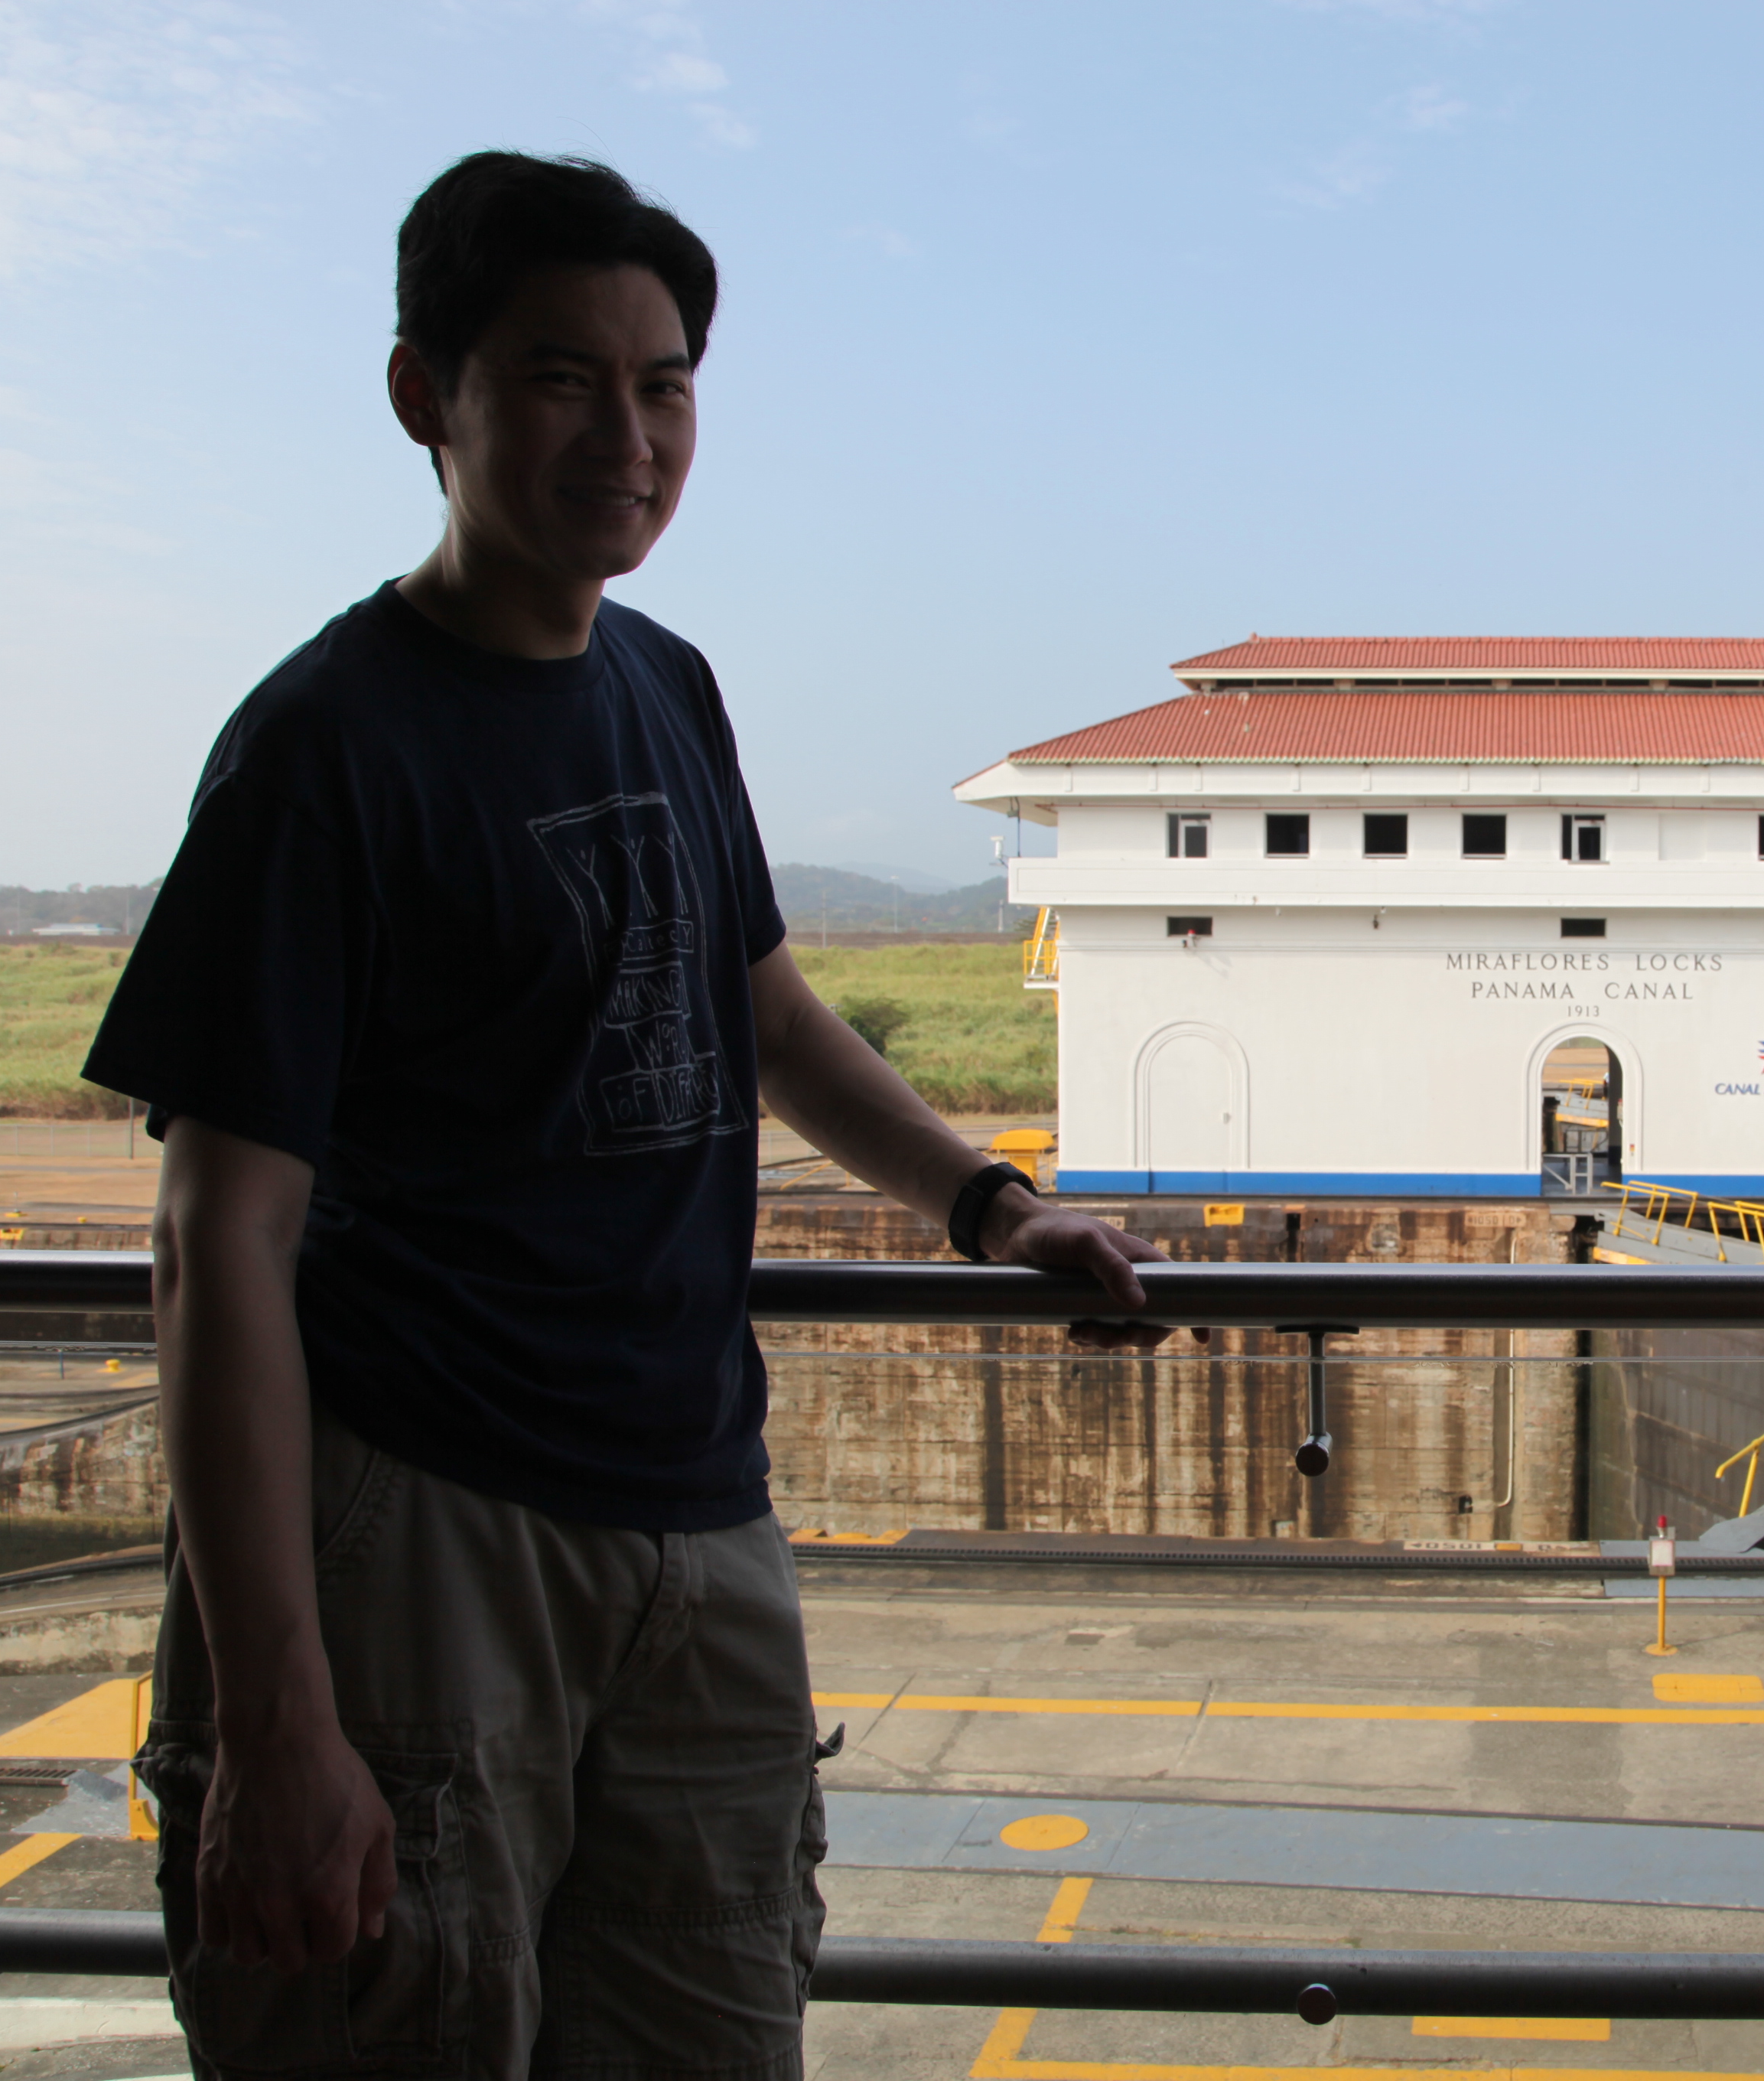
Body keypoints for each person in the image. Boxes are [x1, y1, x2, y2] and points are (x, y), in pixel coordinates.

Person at [83, 151, 1167, 2074]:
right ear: (425, 396)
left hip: (697, 1514)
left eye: (665, 384)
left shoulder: (668, 687)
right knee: (395, 2022)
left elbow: (770, 1018)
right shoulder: (322, 749)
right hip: (423, 1522)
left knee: (716, 2020)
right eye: (562, 377)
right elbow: (216, 1238)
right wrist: (276, 1718)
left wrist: (995, 1207)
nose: (630, 433)